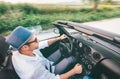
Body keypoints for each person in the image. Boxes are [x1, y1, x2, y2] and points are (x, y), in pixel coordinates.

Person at [6, 26, 83, 79]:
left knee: (60, 49)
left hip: (45, 62)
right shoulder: (32, 69)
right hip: (50, 71)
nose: (38, 40)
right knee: (71, 58)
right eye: (35, 40)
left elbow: (43, 44)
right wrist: (74, 71)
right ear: (25, 47)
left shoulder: (19, 51)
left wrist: (58, 38)